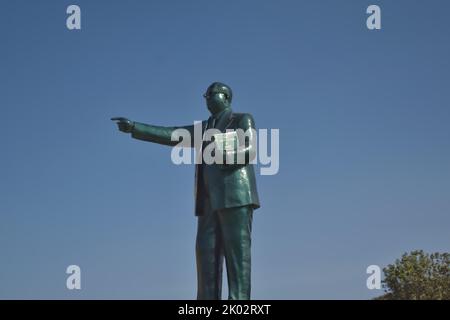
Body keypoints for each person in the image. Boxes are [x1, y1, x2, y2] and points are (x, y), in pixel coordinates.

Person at [111, 82, 260, 300]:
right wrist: (135, 127)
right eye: (205, 95)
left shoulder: (241, 119)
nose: (207, 98)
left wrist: (223, 157)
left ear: (226, 97)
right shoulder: (204, 128)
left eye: (211, 94)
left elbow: (251, 148)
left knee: (237, 259)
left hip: (235, 197)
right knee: (206, 255)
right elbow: (171, 135)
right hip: (208, 201)